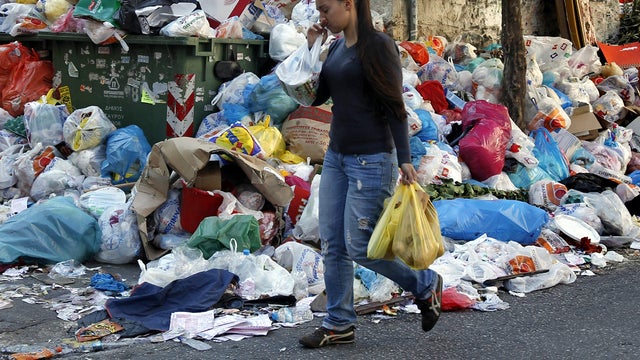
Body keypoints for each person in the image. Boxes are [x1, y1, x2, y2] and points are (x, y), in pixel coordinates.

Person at [298, 0, 443, 349]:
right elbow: (314, 97)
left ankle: (425, 284)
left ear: (349, 5)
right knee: (332, 244)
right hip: (337, 157)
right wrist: (309, 48)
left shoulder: (378, 46)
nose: (322, 16)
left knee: (361, 248)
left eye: (326, 8)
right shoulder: (334, 48)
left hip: (372, 160)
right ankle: (339, 324)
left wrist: (405, 159)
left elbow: (394, 103)